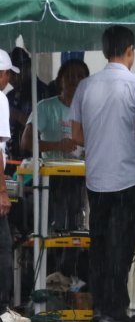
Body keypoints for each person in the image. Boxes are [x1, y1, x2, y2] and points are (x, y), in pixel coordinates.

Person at [69, 26, 135, 322]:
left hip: (96, 178)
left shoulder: (85, 86)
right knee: (122, 244)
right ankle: (114, 311)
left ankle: (100, 307)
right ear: (130, 50)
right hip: (130, 177)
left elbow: (77, 134)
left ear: (105, 51)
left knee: (101, 244)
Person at [21, 60, 90, 233]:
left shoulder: (91, 109)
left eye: (80, 76)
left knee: (77, 231)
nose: (75, 80)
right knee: (52, 229)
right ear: (60, 81)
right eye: (69, 76)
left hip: (83, 180)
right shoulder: (45, 107)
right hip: (52, 179)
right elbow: (26, 142)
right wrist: (57, 145)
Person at [0, 49, 31, 322]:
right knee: (4, 246)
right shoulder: (0, 99)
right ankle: (1, 309)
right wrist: (1, 191)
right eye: (7, 73)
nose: (9, 79)